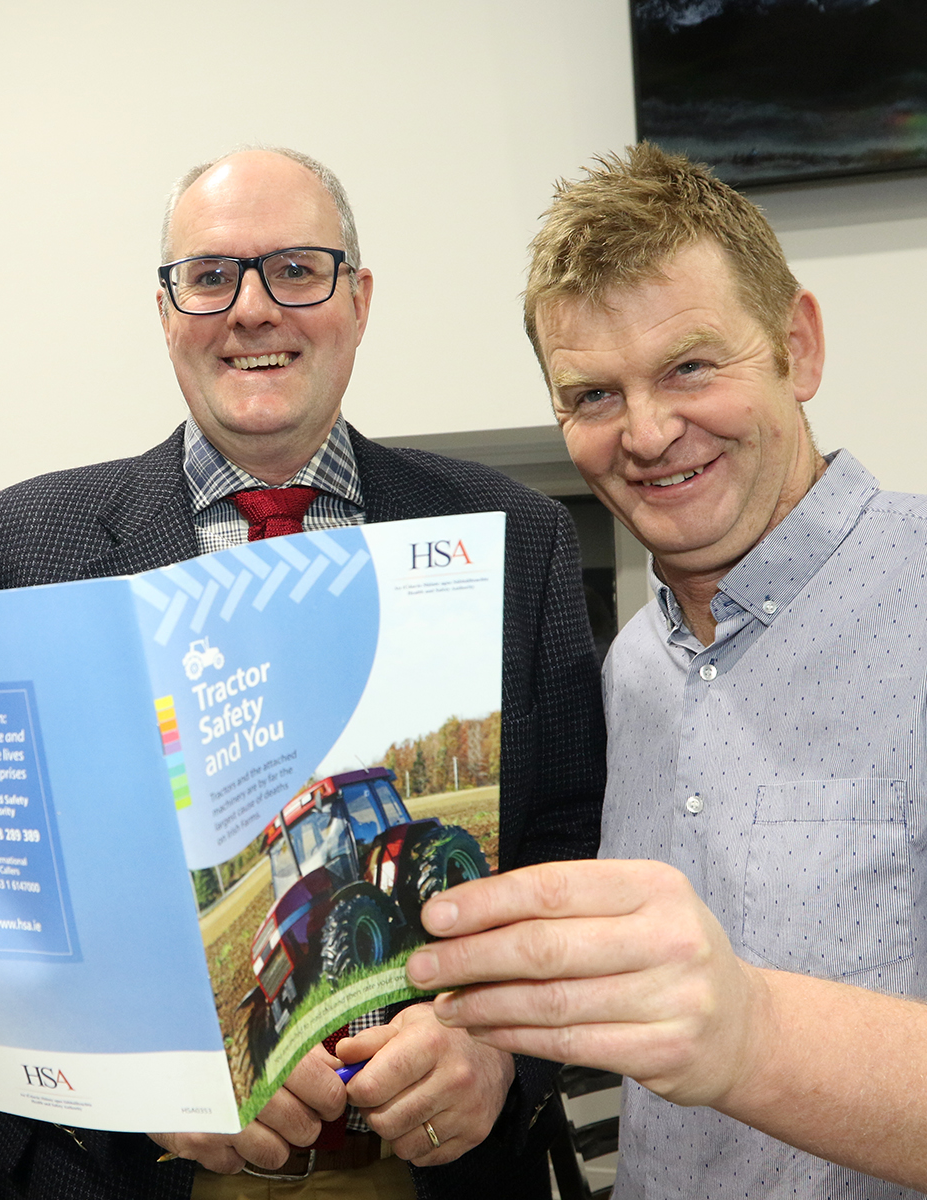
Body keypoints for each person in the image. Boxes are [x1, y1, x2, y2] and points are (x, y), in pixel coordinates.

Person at [0, 147, 605, 1200]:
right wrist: (136, 1089)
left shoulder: (515, 538)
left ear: (358, 298)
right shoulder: (19, 553)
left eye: (296, 269)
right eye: (210, 277)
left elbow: (571, 850)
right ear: (166, 312)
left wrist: (504, 1056)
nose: (251, 309)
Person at [405, 142, 927, 1198]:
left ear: (799, 346)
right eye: (594, 394)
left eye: (691, 366)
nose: (647, 432)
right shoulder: (627, 676)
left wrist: (753, 1031)